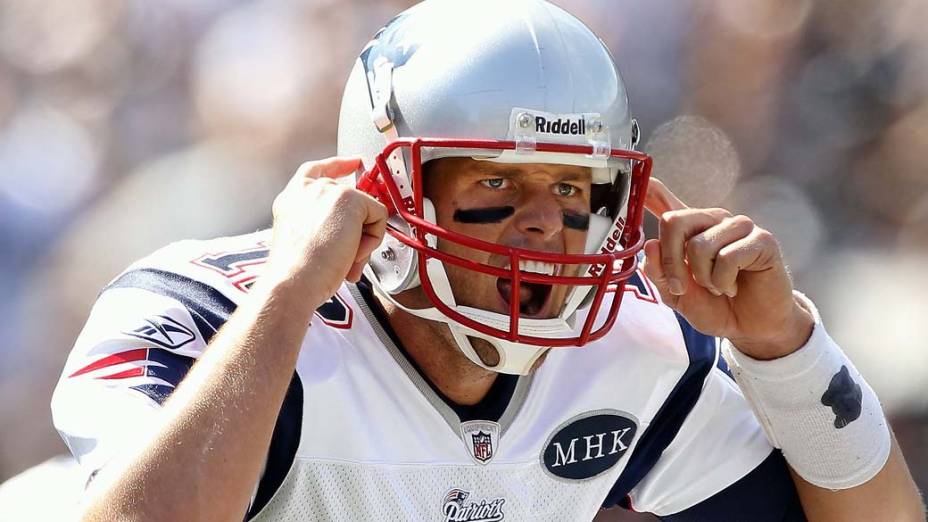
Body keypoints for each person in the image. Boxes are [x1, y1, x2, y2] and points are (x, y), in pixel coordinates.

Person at [51, 1, 923, 520]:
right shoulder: (200, 313)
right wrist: (282, 302)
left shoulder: (639, 350)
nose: (545, 224)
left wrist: (787, 353)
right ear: (383, 188)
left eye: (575, 190)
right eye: (498, 184)